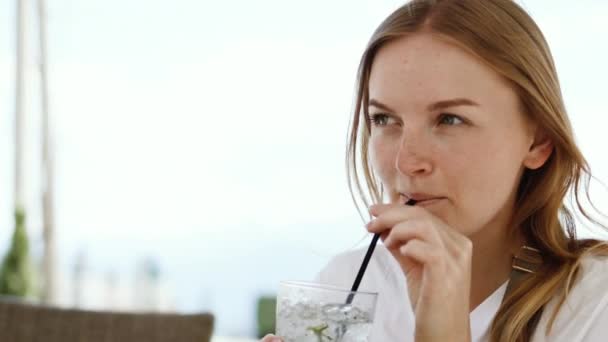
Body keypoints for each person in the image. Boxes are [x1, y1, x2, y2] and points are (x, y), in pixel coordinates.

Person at [263, 0, 608, 341]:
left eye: (450, 119)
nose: (406, 162)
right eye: (384, 119)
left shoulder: (595, 306)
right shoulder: (346, 284)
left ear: (538, 142)